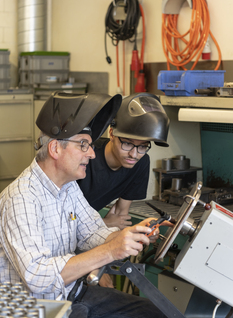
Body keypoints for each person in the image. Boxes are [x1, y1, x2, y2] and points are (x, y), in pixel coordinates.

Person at [0, 91, 168, 318]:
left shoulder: (68, 187)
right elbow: (38, 278)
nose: (91, 153)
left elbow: (93, 233)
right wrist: (109, 250)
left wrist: (128, 236)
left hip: (68, 293)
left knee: (151, 313)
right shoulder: (21, 198)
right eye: (83, 145)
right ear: (55, 149)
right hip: (28, 306)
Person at [78, 93, 170, 229]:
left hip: (85, 231)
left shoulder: (141, 163)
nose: (134, 155)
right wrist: (103, 224)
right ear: (111, 134)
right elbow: (59, 217)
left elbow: (120, 216)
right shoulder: (85, 156)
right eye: (127, 143)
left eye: (143, 146)